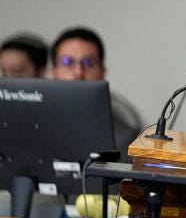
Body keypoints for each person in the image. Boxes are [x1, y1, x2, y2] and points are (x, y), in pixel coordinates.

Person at [51, 27, 142, 157]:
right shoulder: (37, 125)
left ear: (102, 73)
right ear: (54, 72)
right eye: (68, 62)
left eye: (88, 63)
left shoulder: (124, 135)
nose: (78, 72)